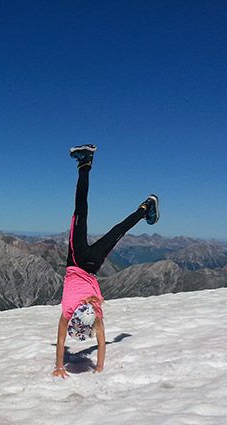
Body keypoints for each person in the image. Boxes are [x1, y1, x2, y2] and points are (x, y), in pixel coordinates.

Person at [53, 144, 159, 378]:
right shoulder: (70, 310)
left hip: (92, 266)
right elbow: (61, 341)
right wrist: (60, 366)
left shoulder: (96, 310)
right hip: (76, 259)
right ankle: (85, 164)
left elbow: (99, 344)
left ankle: (145, 207)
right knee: (81, 209)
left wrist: (98, 367)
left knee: (117, 232)